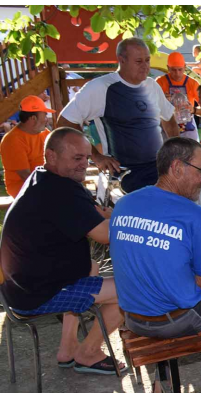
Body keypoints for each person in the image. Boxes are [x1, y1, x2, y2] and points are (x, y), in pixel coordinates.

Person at [110, 137, 201, 393]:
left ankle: (161, 381)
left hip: (133, 319)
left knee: (161, 295)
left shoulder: (124, 204)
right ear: (176, 168)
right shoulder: (194, 215)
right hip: (176, 321)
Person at [1, 127, 126, 374]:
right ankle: (87, 353)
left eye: (87, 157)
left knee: (91, 265)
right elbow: (106, 235)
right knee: (131, 290)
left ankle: (67, 348)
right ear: (51, 155)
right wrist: (130, 220)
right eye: (77, 158)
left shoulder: (44, 177)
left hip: (19, 285)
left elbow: (88, 216)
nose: (84, 164)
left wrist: (103, 217)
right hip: (38, 292)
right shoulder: (60, 190)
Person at [57, 37, 178, 193]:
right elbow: (65, 122)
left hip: (159, 168)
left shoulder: (152, 85)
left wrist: (176, 150)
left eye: (147, 61)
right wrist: (95, 156)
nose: (145, 67)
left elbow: (169, 118)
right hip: (125, 174)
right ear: (122, 60)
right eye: (139, 61)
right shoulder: (101, 87)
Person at [1, 96, 52, 197]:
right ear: (33, 118)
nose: (47, 120)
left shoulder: (45, 133)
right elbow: (26, 176)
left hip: (45, 182)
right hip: (24, 187)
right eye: (45, 115)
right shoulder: (12, 140)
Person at [156, 52, 200, 140]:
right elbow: (152, 107)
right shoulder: (160, 82)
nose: (177, 73)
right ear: (168, 68)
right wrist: (163, 101)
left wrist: (194, 110)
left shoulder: (192, 83)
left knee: (191, 152)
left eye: (180, 69)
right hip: (167, 126)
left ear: (185, 67)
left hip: (187, 125)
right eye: (173, 70)